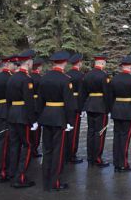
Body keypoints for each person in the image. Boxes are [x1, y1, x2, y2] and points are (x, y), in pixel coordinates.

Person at [37, 50, 76, 191]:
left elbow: (39, 101)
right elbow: (69, 104)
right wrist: (70, 122)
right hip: (59, 117)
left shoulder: (44, 78)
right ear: (64, 63)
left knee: (47, 149)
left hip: (46, 115)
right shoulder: (65, 79)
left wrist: (39, 117)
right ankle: (55, 182)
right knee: (58, 151)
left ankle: (46, 180)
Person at [6, 50, 37, 188]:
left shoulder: (12, 77)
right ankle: (20, 177)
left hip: (12, 113)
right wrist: (33, 120)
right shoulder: (27, 79)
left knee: (14, 145)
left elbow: (8, 99)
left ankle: (12, 172)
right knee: (28, 145)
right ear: (29, 62)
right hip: (23, 115)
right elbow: (29, 102)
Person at [108, 55, 131, 172]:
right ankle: (123, 164)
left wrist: (112, 110)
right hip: (128, 111)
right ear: (130, 66)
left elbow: (110, 97)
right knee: (125, 138)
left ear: (122, 67)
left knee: (117, 137)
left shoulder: (114, 79)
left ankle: (117, 162)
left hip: (117, 111)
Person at [80, 54, 111, 167]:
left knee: (91, 132)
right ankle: (97, 158)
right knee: (100, 132)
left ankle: (90, 157)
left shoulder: (87, 75)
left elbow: (83, 93)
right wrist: (109, 108)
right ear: (102, 63)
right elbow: (107, 94)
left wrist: (83, 107)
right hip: (101, 106)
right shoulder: (104, 76)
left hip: (90, 105)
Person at [0, 56, 17, 183]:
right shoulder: (10, 78)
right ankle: (2, 172)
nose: (15, 66)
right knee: (5, 143)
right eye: (13, 64)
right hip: (6, 110)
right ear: (8, 64)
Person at [65, 53, 84, 164]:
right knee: (74, 131)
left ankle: (66, 151)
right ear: (79, 63)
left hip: (67, 105)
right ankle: (72, 154)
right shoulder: (80, 76)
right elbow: (81, 94)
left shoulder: (67, 74)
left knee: (67, 130)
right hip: (76, 105)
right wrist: (81, 108)